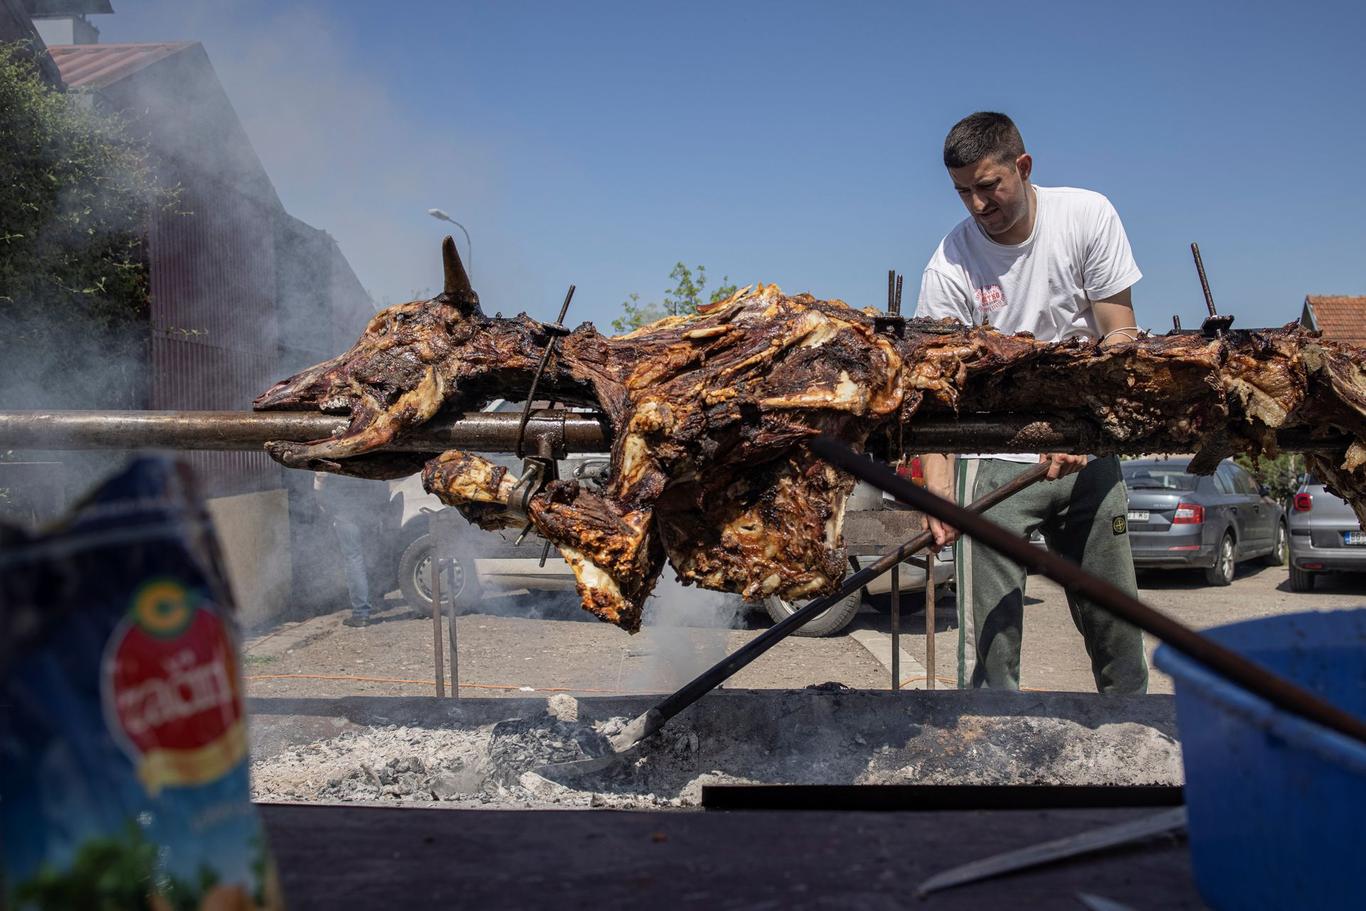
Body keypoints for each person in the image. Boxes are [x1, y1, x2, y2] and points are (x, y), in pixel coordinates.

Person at [914, 112, 1148, 694]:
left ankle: (1134, 754)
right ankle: (995, 759)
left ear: (1023, 167)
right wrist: (940, 498)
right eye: (962, 191)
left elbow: (1118, 336)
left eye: (988, 185)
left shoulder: (1087, 216)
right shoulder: (949, 265)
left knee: (1118, 631)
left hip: (1087, 460)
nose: (976, 204)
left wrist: (1081, 433)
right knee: (990, 650)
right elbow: (937, 393)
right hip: (992, 469)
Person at [314, 471, 376, 627]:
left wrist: (322, 504)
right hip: (367, 509)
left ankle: (361, 612)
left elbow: (320, 479)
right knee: (366, 556)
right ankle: (373, 599)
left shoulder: (332, 455)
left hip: (345, 512)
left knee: (354, 560)